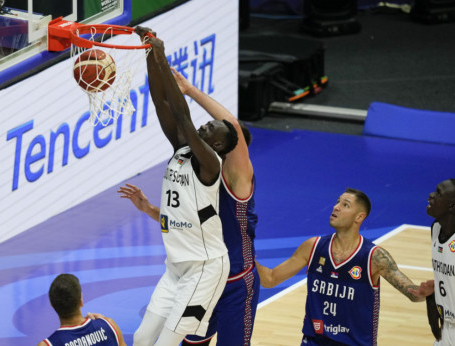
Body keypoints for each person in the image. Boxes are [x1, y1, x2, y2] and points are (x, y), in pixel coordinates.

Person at [119, 69, 259, 346]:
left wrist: (190, 90)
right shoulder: (201, 171)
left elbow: (230, 122)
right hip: (198, 272)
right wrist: (150, 210)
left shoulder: (239, 179)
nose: (208, 127)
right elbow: (189, 218)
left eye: (216, 129)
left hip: (234, 282)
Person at [256, 188, 425, 345]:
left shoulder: (374, 257)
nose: (336, 207)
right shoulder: (313, 247)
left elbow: (413, 294)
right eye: (337, 202)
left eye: (345, 205)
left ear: (359, 217)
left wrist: (427, 291)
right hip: (315, 340)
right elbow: (270, 279)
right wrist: (247, 257)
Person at [409, 179, 455, 345]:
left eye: (439, 193)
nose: (431, 195)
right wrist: (433, 297)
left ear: (452, 206)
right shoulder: (436, 228)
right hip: (447, 329)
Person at [38, 273, 126, 346]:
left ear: (52, 305)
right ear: (81, 301)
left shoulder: (47, 344)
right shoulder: (110, 325)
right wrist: (104, 323)